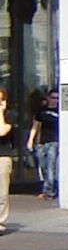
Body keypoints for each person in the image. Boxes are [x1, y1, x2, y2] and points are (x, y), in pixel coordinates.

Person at [27, 88, 59, 199]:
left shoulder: (60, 111)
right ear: (48, 98)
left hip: (54, 142)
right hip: (41, 142)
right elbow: (35, 126)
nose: (55, 100)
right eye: (53, 98)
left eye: (57, 98)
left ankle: (49, 191)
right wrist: (31, 140)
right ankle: (48, 187)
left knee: (51, 166)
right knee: (43, 166)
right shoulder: (41, 110)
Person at [0, 88, 13, 235]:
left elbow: (2, 131)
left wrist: (0, 113)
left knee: (1, 193)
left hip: (2, 157)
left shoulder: (9, 116)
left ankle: (0, 223)